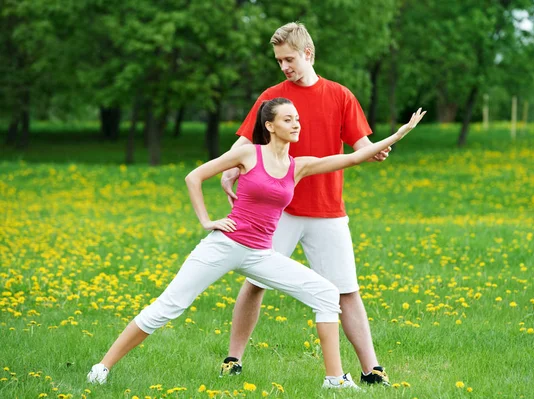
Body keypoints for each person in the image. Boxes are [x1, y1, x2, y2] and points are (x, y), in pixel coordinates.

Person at [86, 97, 425, 389]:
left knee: (325, 292)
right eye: (288, 119)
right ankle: (101, 369)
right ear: (271, 125)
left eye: (297, 120)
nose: (296, 125)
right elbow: (194, 177)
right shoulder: (249, 154)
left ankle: (334, 380)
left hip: (261, 253)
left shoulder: (298, 166)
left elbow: (351, 159)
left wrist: (398, 134)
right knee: (169, 306)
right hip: (225, 244)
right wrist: (207, 221)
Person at [221, 22, 393, 385]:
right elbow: (244, 143)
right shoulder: (272, 98)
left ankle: (371, 369)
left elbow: (360, 144)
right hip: (277, 210)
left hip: (328, 210)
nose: (284, 66)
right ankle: (232, 359)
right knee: (255, 281)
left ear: (308, 54)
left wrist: (374, 152)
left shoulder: (340, 95)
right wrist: (229, 167)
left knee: (346, 290)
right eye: (279, 61)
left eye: (289, 59)